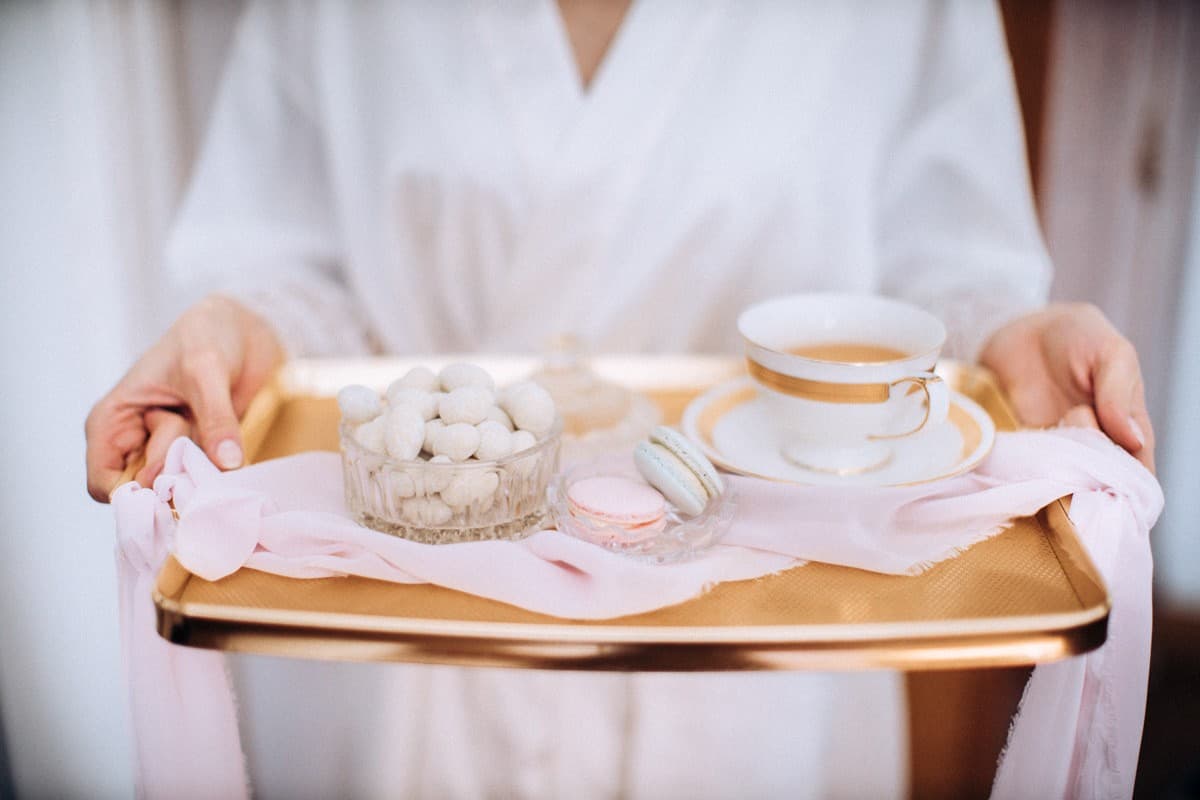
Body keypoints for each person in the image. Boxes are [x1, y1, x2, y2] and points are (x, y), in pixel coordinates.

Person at [85, 1, 1156, 797]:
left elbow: (941, 275)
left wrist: (1005, 336)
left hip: (755, 665)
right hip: (421, 652)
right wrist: (246, 337)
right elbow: (294, 272)